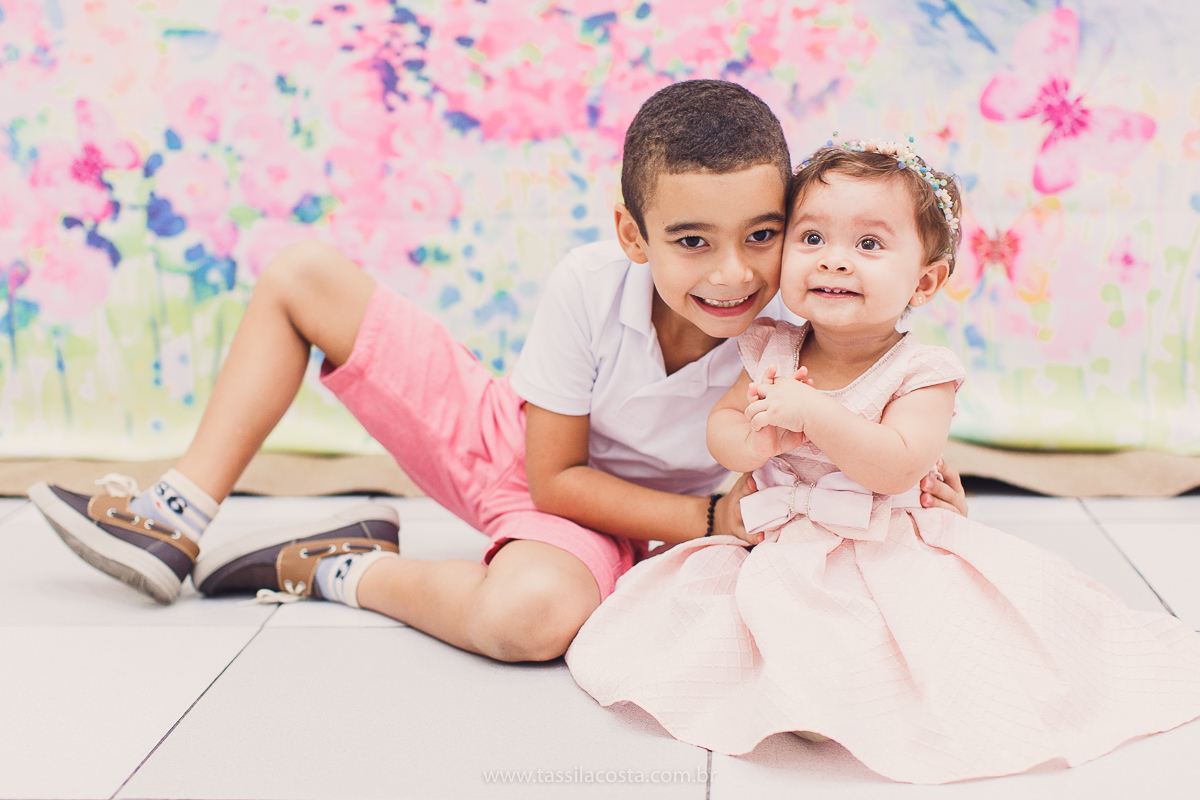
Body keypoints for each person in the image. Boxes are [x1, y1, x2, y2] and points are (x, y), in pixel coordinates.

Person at [27, 82, 967, 663]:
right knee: (303, 275)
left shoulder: (791, 323)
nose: (732, 272)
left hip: (606, 525)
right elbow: (547, 473)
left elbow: (861, 398)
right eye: (691, 240)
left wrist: (914, 464)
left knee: (526, 623)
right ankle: (177, 515)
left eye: (764, 236)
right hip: (511, 449)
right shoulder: (589, 285)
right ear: (633, 235)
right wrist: (711, 519)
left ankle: (344, 568)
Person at [565, 140, 1200, 783]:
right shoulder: (772, 347)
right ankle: (792, 692)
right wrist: (754, 443)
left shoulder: (921, 374)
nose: (835, 260)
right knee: (738, 625)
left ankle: (852, 699)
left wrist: (816, 416)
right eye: (811, 238)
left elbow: (898, 465)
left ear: (924, 280)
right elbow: (722, 426)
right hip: (782, 543)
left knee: (910, 645)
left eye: (869, 245)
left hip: (884, 547)